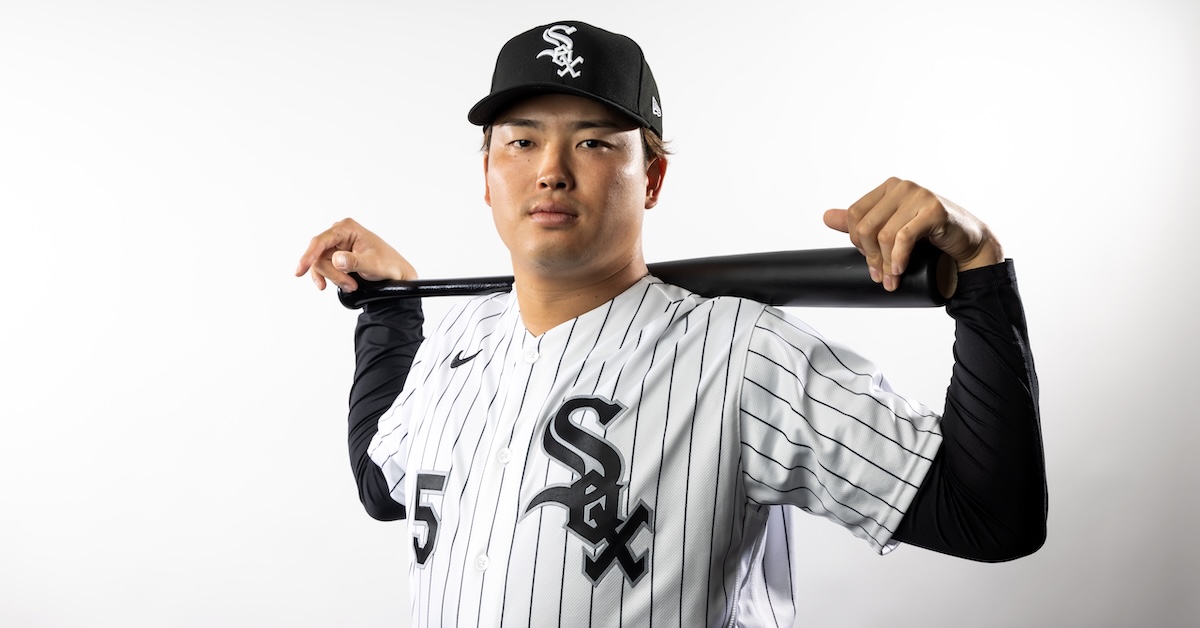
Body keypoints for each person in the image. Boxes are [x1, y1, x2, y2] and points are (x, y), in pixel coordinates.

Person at [295, 20, 1046, 627]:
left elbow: (987, 517)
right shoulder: (458, 340)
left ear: (650, 177)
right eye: (521, 140)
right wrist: (392, 309)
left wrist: (981, 270)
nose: (551, 168)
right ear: (486, 175)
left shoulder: (742, 358)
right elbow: (382, 481)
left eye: (593, 141)